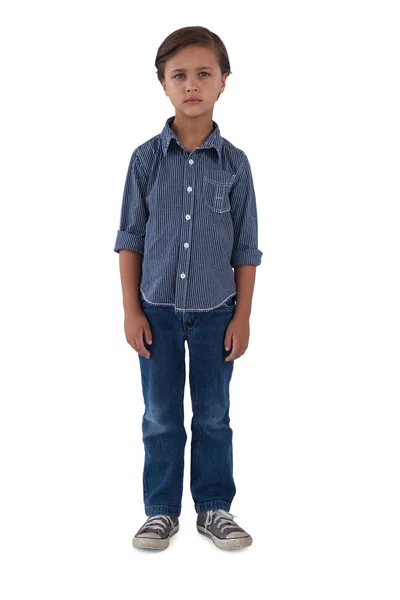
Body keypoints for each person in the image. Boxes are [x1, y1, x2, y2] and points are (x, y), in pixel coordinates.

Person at [114, 26, 263, 551]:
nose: (192, 84)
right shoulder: (146, 159)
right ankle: (160, 512)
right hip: (155, 311)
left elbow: (246, 247)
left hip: (217, 313)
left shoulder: (236, 165)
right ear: (163, 84)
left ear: (224, 82)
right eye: (180, 75)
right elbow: (130, 237)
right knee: (159, 415)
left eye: (204, 73)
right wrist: (131, 310)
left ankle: (214, 508)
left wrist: (242, 316)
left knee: (215, 414)